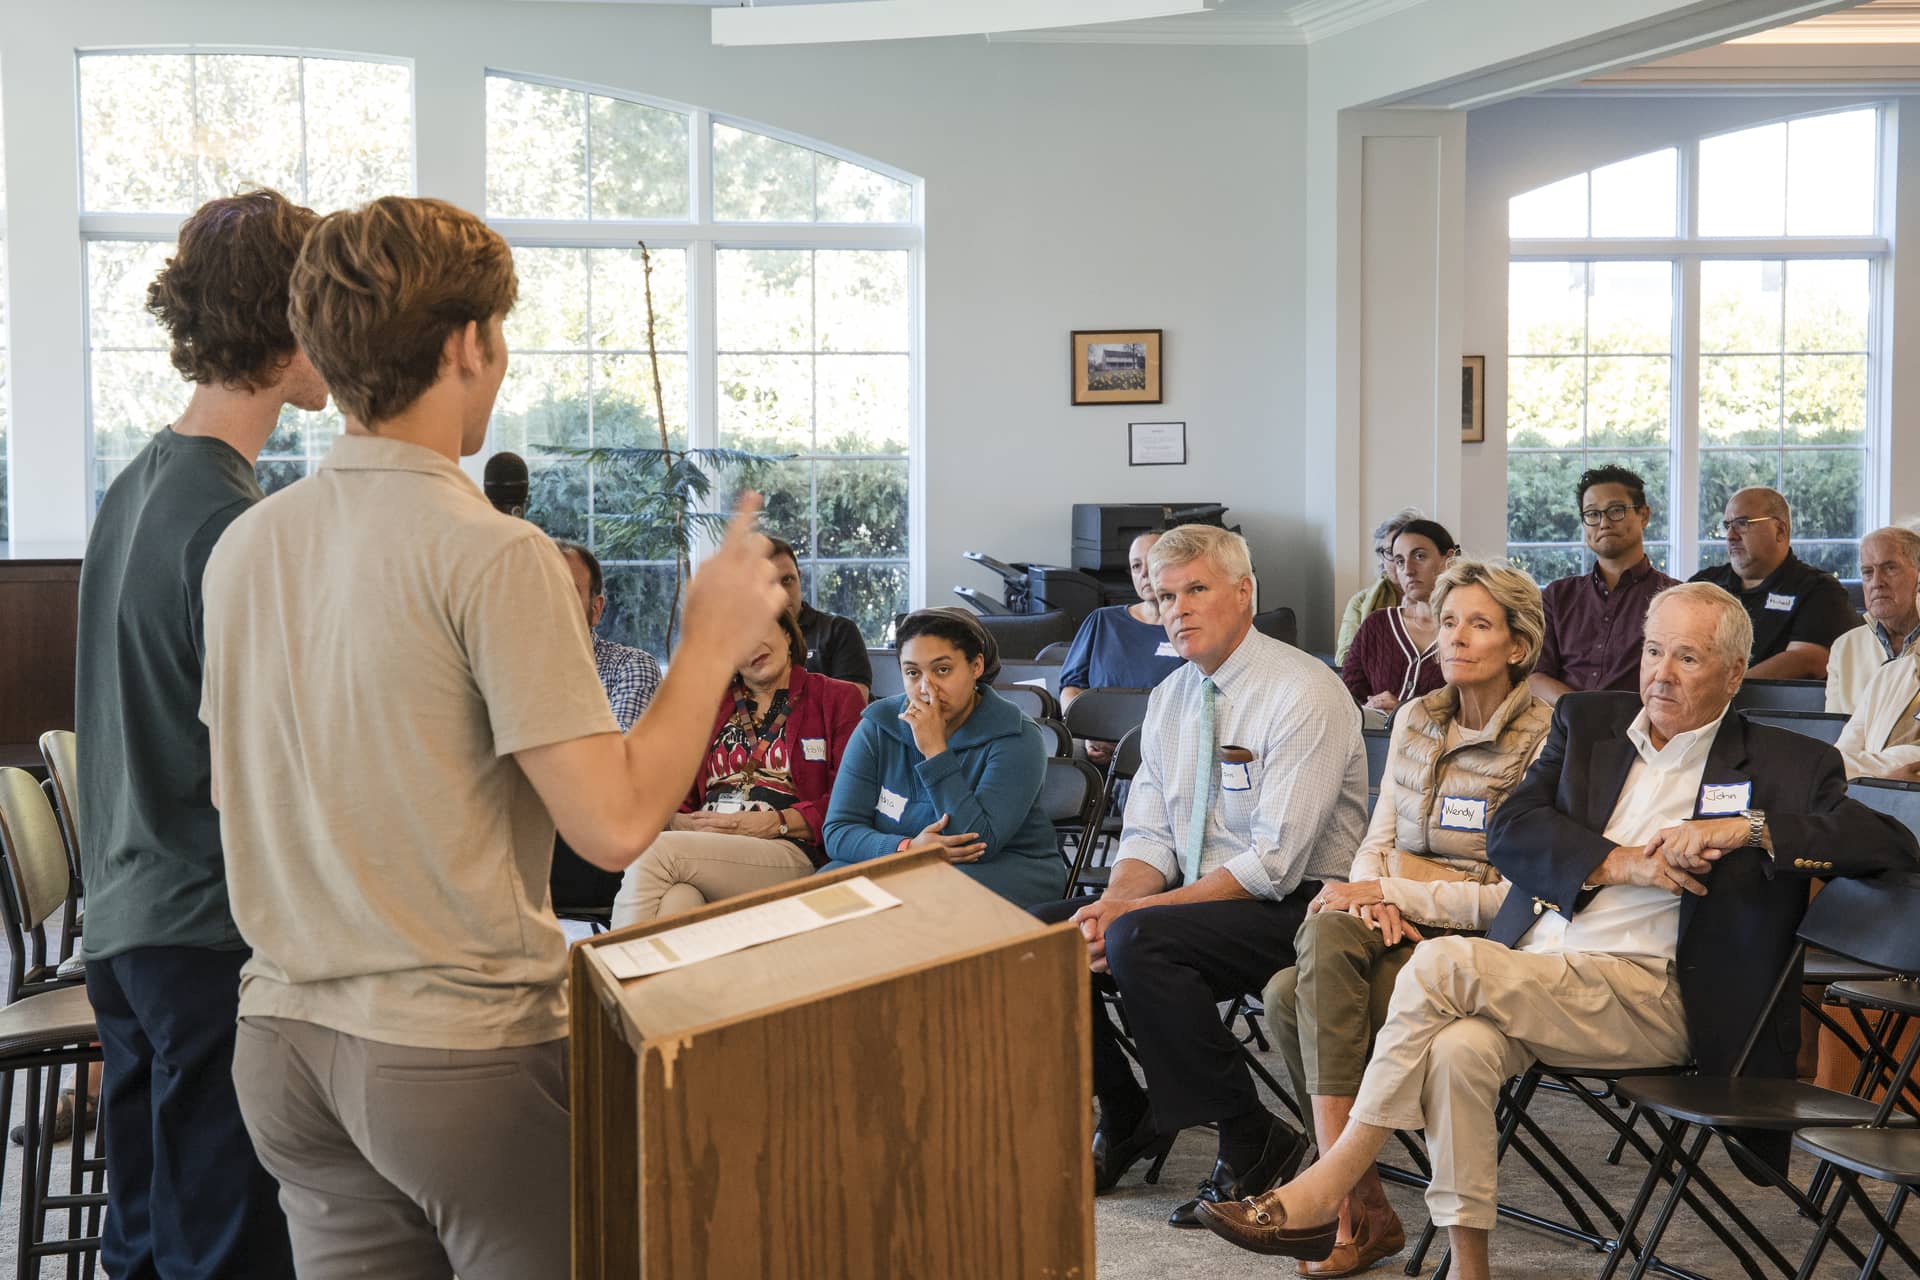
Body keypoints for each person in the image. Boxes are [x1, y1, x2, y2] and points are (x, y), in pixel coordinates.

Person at [198, 196, 787, 1280]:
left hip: (282, 1041)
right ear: (468, 344)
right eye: (501, 338)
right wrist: (708, 643)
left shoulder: (245, 545)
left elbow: (243, 794)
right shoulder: (495, 549)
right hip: (451, 1050)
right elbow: (612, 824)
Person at [1195, 582, 1917, 1280]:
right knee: (1457, 1050)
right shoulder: (1590, 724)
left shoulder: (1790, 763)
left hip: (1661, 995)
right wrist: (1619, 863)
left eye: (1688, 659)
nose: (1661, 673)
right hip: (1542, 970)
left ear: (1733, 673)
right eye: (1654, 650)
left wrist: (1750, 827)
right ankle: (1469, 1269)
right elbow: (1513, 828)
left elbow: (1886, 843)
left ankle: (1331, 1182)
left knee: (1444, 968)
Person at [71, 189, 316, 1280]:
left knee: (145, 1246)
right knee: (221, 1254)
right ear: (291, 317)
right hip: (204, 928)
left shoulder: (133, 486)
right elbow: (249, 770)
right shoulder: (231, 518)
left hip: (127, 925)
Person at [1035, 524, 1367, 1228]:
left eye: (1195, 591)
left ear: (1244, 594)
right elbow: (1150, 832)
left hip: (1304, 908)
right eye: (1162, 596)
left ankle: (1252, 1135)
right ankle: (1128, 1110)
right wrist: (1114, 905)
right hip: (1205, 904)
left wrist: (1134, 920)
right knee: (1046, 931)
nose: (1176, 609)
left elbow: (1275, 866)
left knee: (1141, 943)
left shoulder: (1303, 690)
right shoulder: (1174, 697)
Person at [1265, 558, 1551, 1277]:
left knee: (1288, 991)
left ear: (1517, 646)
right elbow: (1375, 843)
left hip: (1481, 948)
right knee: (1314, 944)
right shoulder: (1418, 718)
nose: (1455, 636)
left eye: (1479, 624)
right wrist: (1372, 888)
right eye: (1449, 620)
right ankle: (1353, 1206)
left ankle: (1343, 1210)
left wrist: (1396, 893)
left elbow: (1516, 893)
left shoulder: (1549, 739)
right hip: (1396, 924)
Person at [610, 610, 864, 925]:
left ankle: (601, 969)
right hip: (706, 848)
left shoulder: (836, 698)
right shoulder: (708, 709)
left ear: (786, 632)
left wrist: (772, 823)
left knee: (657, 853)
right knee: (679, 899)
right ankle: (652, 975)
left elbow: (850, 802)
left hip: (788, 849)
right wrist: (680, 823)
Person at [821, 607, 1061, 908]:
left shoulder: (1017, 735)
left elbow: (977, 843)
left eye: (942, 670)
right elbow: (839, 831)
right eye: (912, 672)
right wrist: (906, 849)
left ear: (976, 666)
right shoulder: (877, 725)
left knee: (915, 900)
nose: (926, 688)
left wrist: (935, 751)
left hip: (1002, 867)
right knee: (819, 892)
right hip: (906, 863)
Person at [548, 538, 665, 913]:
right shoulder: (501, 672)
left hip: (592, 850)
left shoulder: (629, 667)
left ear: (595, 608)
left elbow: (612, 772)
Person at [1529, 465, 1677, 706]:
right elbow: (1535, 677)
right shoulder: (1558, 596)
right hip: (1562, 727)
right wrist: (1582, 711)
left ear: (1644, 515)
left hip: (1640, 731)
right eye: (1592, 514)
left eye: (1616, 510)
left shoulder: (1674, 598)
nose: (1604, 522)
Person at [1687, 486, 1857, 678]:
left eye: (1742, 523)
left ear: (1780, 530)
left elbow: (1808, 660)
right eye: (1727, 526)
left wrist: (1727, 690)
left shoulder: (1820, 591)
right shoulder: (1704, 584)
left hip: (1769, 705)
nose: (1730, 536)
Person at [1060, 529, 1185, 764]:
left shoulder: (1189, 626)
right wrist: (1088, 733)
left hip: (1166, 752)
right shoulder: (1102, 621)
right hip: (1102, 752)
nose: (1145, 573)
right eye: (1137, 566)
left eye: (1151, 561)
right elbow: (1071, 689)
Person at [1342, 519, 1459, 715]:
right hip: (1372, 740)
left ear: (1449, 560)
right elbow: (1347, 697)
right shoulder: (1377, 625)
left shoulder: (1466, 631)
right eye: (1399, 561)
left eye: (1420, 556)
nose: (1408, 570)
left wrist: (1404, 711)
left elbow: (1472, 708)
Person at [1826, 525, 1920, 715]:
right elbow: (1834, 734)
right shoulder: (1845, 648)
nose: (1877, 582)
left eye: (1890, 568)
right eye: (1868, 572)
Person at [769, 536, 873, 699]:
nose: (782, 593)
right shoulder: (745, 644)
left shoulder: (838, 630)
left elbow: (853, 702)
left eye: (787, 580)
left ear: (799, 577)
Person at [1335, 508, 1423, 668]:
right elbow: (1345, 660)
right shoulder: (1361, 602)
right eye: (1391, 552)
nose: (1402, 563)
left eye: (1414, 553)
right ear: (1381, 557)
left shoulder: (1446, 600)